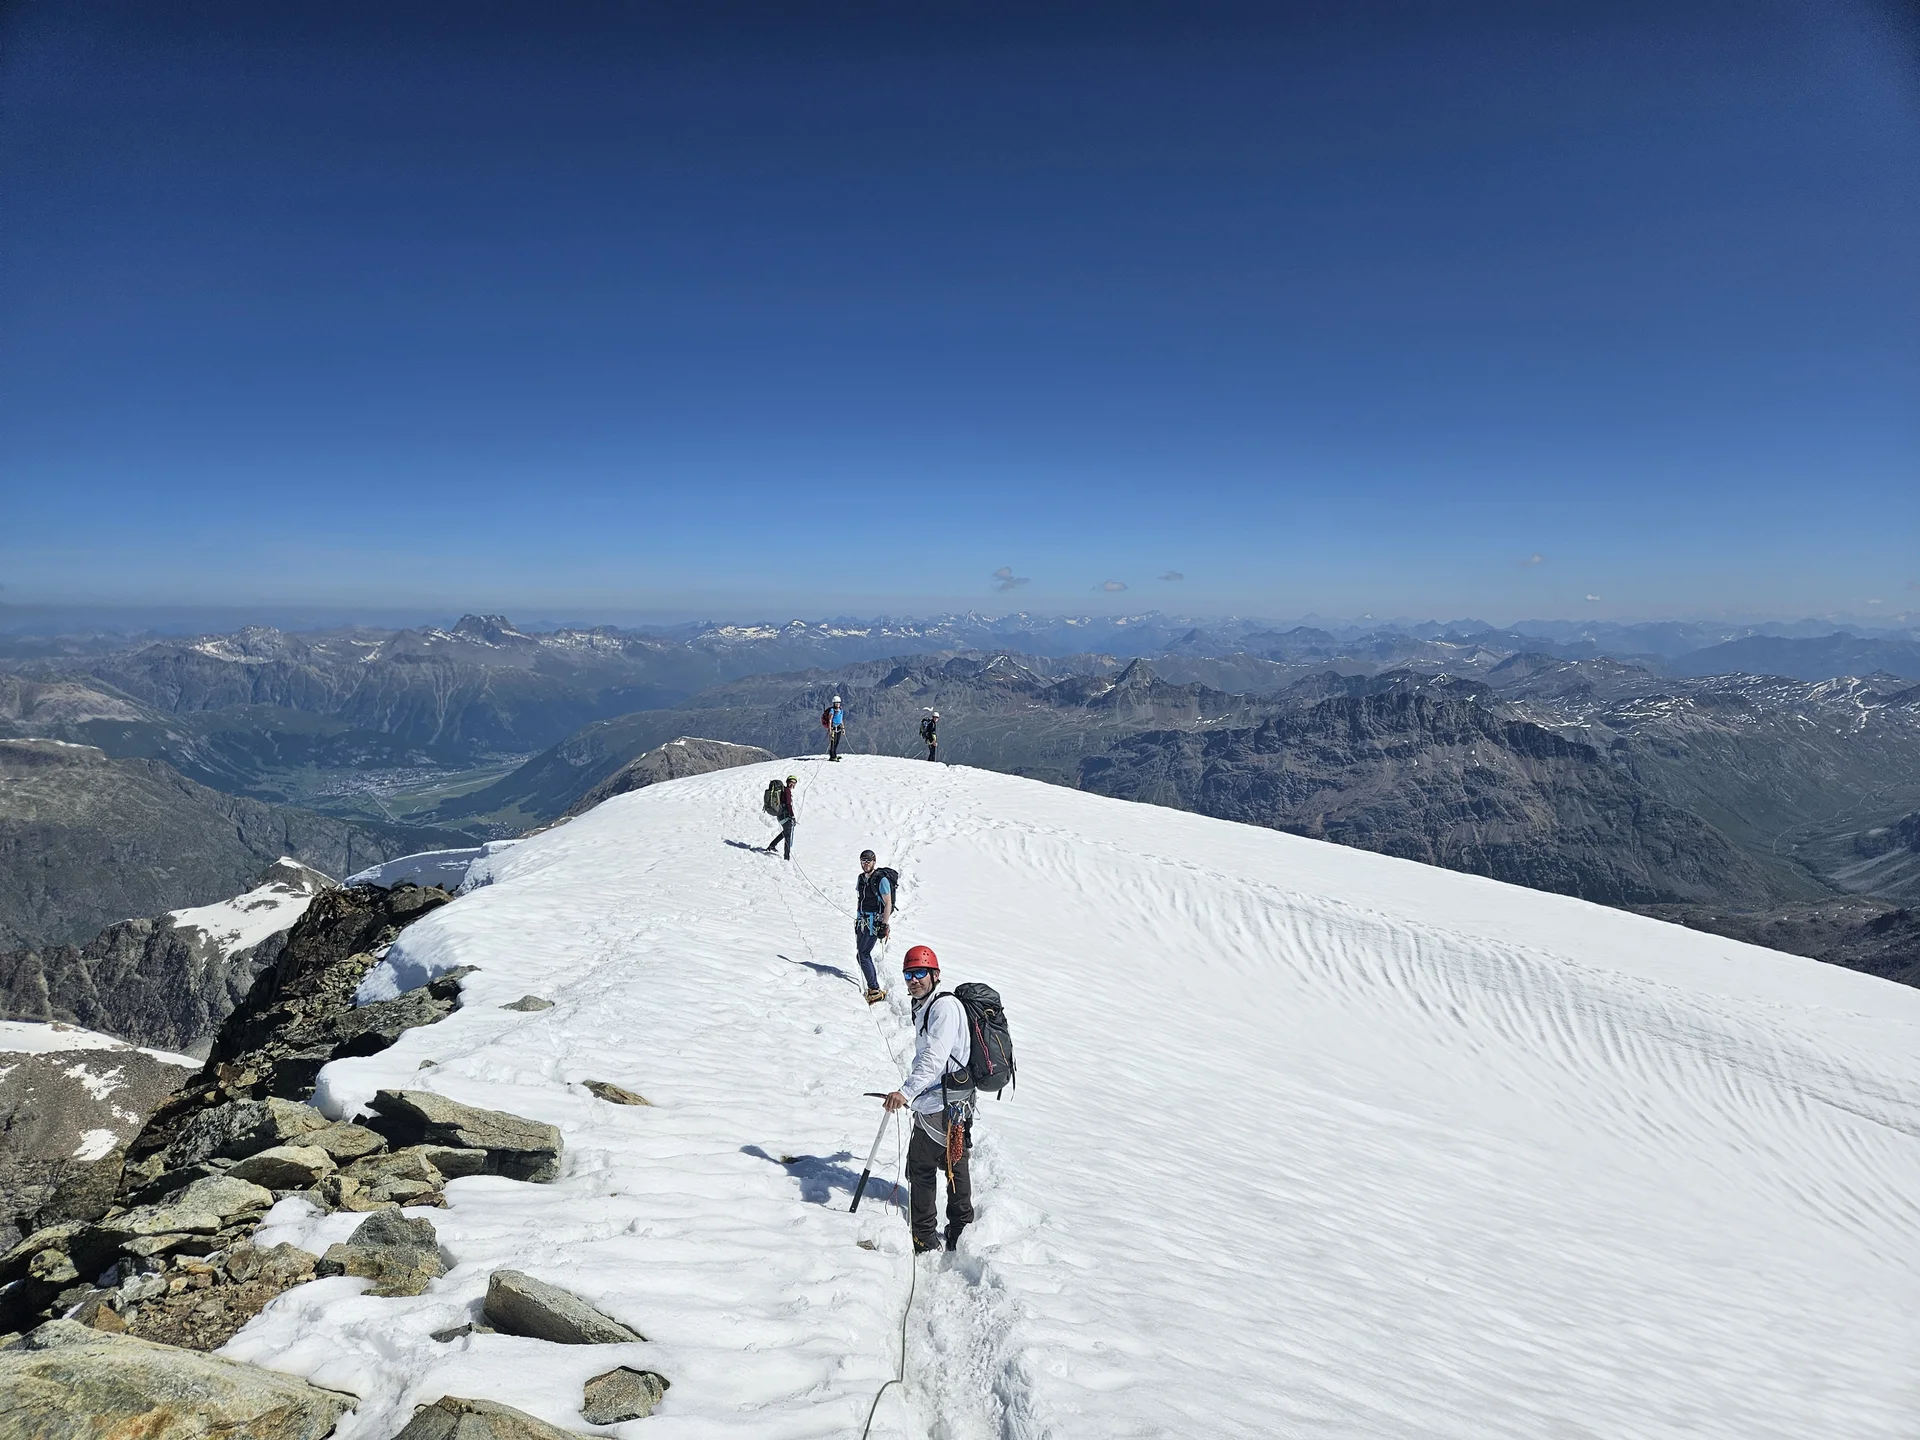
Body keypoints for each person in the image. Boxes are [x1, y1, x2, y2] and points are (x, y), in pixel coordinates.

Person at [883, 945, 974, 1254]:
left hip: (941, 1101)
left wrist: (906, 1092)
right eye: (908, 975)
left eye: (920, 973)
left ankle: (924, 1236)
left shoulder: (943, 1007)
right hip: (951, 1100)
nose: (913, 980)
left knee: (921, 1166)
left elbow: (934, 1057)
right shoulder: (928, 1004)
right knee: (954, 1161)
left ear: (935, 974)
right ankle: (961, 1230)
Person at [853, 849, 893, 1004]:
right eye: (863, 860)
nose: (865, 864)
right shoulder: (861, 878)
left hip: (874, 922)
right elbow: (860, 899)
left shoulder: (880, 879)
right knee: (861, 954)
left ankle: (875, 989)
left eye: (868, 861)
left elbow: (888, 903)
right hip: (862, 921)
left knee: (863, 954)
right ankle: (873, 987)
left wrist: (884, 925)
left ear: (874, 862)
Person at [764, 774, 797, 859]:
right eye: (791, 782)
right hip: (784, 815)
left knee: (786, 831)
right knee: (787, 835)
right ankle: (786, 857)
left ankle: (772, 845)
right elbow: (788, 804)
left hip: (780, 815)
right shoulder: (787, 791)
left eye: (794, 783)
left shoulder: (783, 790)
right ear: (787, 782)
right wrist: (792, 816)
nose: (792, 784)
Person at [825, 695, 845, 761]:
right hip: (833, 728)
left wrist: (843, 728)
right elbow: (830, 720)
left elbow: (841, 719)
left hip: (839, 727)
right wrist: (830, 729)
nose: (838, 704)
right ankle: (832, 756)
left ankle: (834, 754)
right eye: (836, 703)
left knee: (837, 742)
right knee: (833, 742)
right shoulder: (832, 710)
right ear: (834, 703)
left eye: (838, 703)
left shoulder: (841, 710)